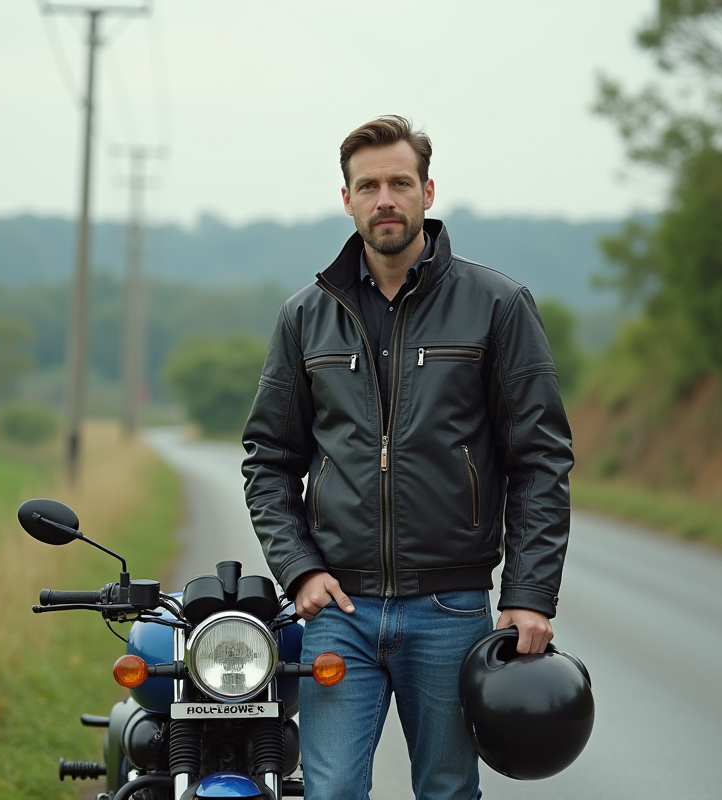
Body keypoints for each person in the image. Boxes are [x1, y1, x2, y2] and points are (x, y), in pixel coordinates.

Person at [240, 115, 574, 800]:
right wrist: (299, 570)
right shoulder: (305, 316)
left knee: (449, 790)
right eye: (369, 186)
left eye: (399, 182)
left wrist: (530, 594)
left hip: (450, 609)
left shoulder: (498, 305)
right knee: (331, 792)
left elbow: (540, 459)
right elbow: (267, 459)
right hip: (338, 609)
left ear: (427, 191)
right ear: (347, 199)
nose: (384, 198)